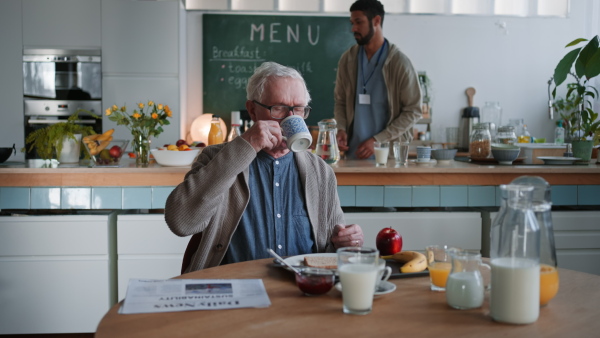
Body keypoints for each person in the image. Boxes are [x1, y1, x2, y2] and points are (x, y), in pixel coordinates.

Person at [165, 61, 364, 273]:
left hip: (299, 290)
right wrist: (245, 146)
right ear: (252, 110)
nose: (291, 118)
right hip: (233, 289)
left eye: (298, 109)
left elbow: (331, 247)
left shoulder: (320, 171)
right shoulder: (215, 158)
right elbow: (181, 223)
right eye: (278, 108)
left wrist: (347, 241)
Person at [334, 0, 422, 159]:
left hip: (388, 157)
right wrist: (341, 129)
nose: (353, 28)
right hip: (352, 156)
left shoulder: (399, 63)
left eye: (359, 22)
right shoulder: (348, 60)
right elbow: (340, 101)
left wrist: (378, 140)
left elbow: (413, 110)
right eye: (352, 23)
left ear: (376, 21)